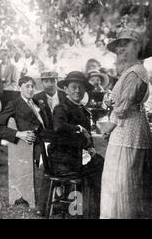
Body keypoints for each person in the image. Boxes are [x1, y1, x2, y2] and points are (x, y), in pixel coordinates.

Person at [100, 28, 152, 218]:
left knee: (122, 181)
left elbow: (122, 108)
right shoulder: (131, 71)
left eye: (125, 45)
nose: (121, 49)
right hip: (129, 128)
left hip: (127, 131)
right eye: (119, 46)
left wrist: (108, 128)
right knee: (122, 180)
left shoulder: (136, 72)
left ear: (137, 48)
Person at [0, 76, 52, 213]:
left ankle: (53, 194)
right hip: (30, 146)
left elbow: (50, 124)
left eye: (33, 86)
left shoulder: (39, 103)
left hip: (47, 140)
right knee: (50, 166)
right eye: (27, 86)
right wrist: (19, 134)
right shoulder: (14, 104)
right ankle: (42, 199)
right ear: (20, 87)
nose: (31, 89)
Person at [53, 71, 104, 218]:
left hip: (76, 155)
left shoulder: (83, 110)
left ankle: (90, 209)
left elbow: (87, 137)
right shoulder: (62, 108)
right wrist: (77, 128)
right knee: (93, 168)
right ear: (66, 89)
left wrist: (90, 148)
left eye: (81, 88)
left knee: (100, 163)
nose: (77, 91)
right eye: (74, 87)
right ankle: (76, 210)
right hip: (63, 157)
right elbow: (58, 127)